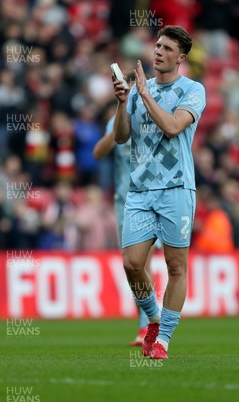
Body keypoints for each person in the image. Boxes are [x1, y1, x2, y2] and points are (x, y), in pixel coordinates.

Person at [112, 25, 206, 360]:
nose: (158, 52)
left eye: (167, 48)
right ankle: (152, 318)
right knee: (131, 262)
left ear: (181, 57)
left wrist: (144, 94)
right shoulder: (138, 90)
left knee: (175, 266)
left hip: (177, 188)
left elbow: (173, 126)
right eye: (157, 46)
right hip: (140, 190)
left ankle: (163, 339)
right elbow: (122, 137)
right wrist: (124, 103)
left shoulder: (192, 90)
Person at [93, 114, 159, 346]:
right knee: (132, 266)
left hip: (152, 199)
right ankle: (147, 322)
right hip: (125, 203)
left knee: (144, 264)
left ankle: (147, 326)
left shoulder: (152, 114)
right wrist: (117, 132)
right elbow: (98, 153)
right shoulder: (115, 120)